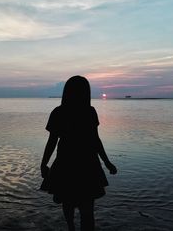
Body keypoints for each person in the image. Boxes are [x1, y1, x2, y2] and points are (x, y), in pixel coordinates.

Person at [40, 75, 117, 231]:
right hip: (87, 163)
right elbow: (96, 140)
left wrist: (44, 163)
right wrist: (106, 162)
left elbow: (52, 142)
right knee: (86, 208)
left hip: (66, 163)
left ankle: (71, 228)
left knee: (68, 203)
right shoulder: (88, 111)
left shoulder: (59, 112)